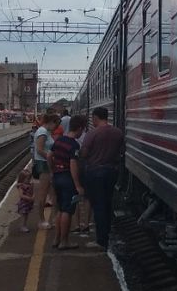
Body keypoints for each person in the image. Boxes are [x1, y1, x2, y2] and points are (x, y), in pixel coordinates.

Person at [80, 106, 124, 250]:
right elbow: (121, 151)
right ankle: (107, 233)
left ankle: (101, 241)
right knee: (107, 203)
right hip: (112, 172)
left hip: (95, 173)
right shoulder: (118, 133)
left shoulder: (92, 134)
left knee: (98, 206)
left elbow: (84, 153)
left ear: (95, 118)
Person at [50, 114, 88, 250]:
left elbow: (50, 155)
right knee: (67, 211)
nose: (82, 133)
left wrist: (53, 170)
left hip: (57, 178)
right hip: (67, 180)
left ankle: (56, 239)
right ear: (78, 128)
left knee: (60, 210)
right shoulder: (74, 145)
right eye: (82, 130)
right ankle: (64, 242)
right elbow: (73, 165)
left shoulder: (59, 140)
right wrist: (78, 185)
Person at [31, 113, 59, 229]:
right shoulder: (42, 132)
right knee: (43, 193)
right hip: (43, 164)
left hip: (47, 164)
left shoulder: (46, 132)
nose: (56, 127)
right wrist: (51, 156)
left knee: (53, 193)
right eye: (56, 124)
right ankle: (41, 220)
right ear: (51, 122)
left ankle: (53, 219)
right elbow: (40, 149)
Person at [15, 167, 35, 233]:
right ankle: (23, 226)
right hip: (24, 203)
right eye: (27, 179)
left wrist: (33, 196)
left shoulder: (29, 184)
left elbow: (32, 192)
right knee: (24, 215)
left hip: (28, 203)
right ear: (22, 179)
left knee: (26, 215)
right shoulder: (21, 186)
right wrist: (29, 198)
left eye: (29, 178)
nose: (29, 180)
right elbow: (21, 195)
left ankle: (24, 225)